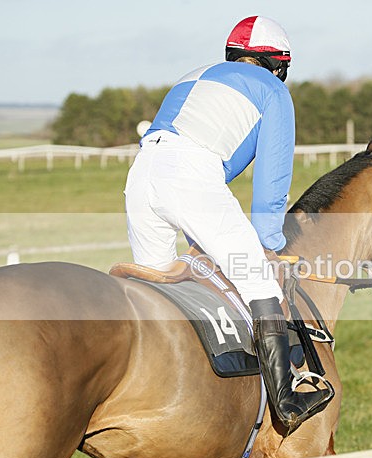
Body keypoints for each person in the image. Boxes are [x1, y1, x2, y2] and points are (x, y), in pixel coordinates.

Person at [124, 15, 332, 432]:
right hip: (191, 176)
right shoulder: (273, 90)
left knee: (161, 291)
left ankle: (160, 398)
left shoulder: (193, 75)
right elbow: (271, 179)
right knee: (260, 282)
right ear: (278, 65)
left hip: (140, 176)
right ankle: (287, 403)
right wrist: (269, 241)